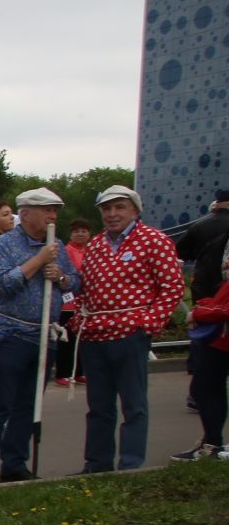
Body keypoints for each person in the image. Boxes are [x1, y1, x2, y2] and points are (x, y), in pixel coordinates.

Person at [0, 187, 77, 484]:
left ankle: (15, 463)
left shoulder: (58, 246)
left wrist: (62, 277)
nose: (52, 216)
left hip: (44, 335)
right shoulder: (0, 246)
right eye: (46, 210)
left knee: (29, 404)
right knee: (0, 403)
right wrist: (38, 261)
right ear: (25, 213)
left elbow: (74, 283)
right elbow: (0, 285)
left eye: (55, 210)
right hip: (9, 334)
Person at [76, 184, 183, 473]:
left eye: (119, 207)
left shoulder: (153, 240)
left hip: (130, 334)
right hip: (94, 335)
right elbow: (83, 289)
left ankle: (131, 466)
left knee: (133, 405)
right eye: (106, 208)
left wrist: (149, 322)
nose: (112, 214)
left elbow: (172, 285)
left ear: (135, 210)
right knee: (99, 407)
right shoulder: (95, 245)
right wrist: (78, 320)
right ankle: (97, 464)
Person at [180, 243, 229, 460]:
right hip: (218, 340)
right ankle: (211, 442)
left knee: (207, 390)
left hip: (222, 341)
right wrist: (205, 305)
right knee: (206, 390)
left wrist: (200, 313)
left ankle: (212, 444)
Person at [55, 220, 93, 386]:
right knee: (66, 340)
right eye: (76, 231)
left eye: (84, 231)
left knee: (83, 340)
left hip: (86, 304)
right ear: (71, 234)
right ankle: (63, 372)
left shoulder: (93, 250)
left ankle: (79, 372)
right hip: (67, 303)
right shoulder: (66, 251)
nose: (80, 234)